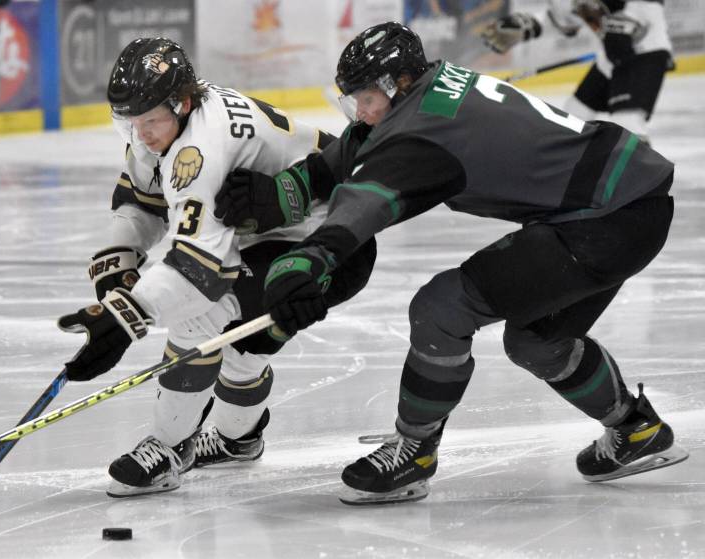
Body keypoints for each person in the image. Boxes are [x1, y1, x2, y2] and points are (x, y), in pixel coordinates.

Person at [213, 22, 687, 505]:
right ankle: (636, 428)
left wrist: (308, 260)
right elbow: (360, 147)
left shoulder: (423, 132)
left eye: (364, 97)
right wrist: (279, 194)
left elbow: (369, 198)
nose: (359, 110)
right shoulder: (435, 88)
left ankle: (414, 451)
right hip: (628, 202)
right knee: (537, 341)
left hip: (603, 222)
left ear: (396, 85)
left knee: (442, 310)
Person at [57, 37, 376, 497]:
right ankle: (237, 440)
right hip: (274, 236)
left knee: (202, 317)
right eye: (129, 121)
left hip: (333, 245)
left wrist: (125, 317)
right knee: (244, 347)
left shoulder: (198, 148)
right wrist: (118, 265)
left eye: (149, 121)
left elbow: (198, 271)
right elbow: (142, 203)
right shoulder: (166, 122)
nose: (141, 134)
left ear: (182, 103)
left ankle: (170, 446)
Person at [481, 0, 672, 142]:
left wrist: (631, 20)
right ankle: (573, 179)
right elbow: (562, 21)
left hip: (646, 51)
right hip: (609, 60)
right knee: (573, 119)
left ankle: (644, 190)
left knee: (628, 124)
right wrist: (527, 25)